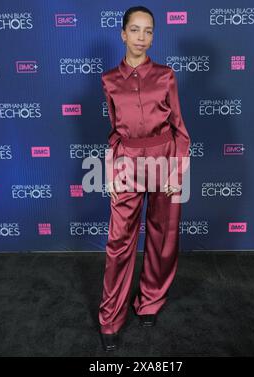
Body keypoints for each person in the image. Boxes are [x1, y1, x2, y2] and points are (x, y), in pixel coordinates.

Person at [98, 6, 191, 352]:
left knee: (163, 236)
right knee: (119, 241)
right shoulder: (108, 80)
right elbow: (114, 132)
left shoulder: (166, 75)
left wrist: (177, 170)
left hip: (165, 159)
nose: (141, 37)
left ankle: (150, 300)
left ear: (153, 36)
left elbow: (180, 129)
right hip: (126, 162)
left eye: (148, 31)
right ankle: (110, 318)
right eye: (135, 30)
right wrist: (111, 168)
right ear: (122, 34)